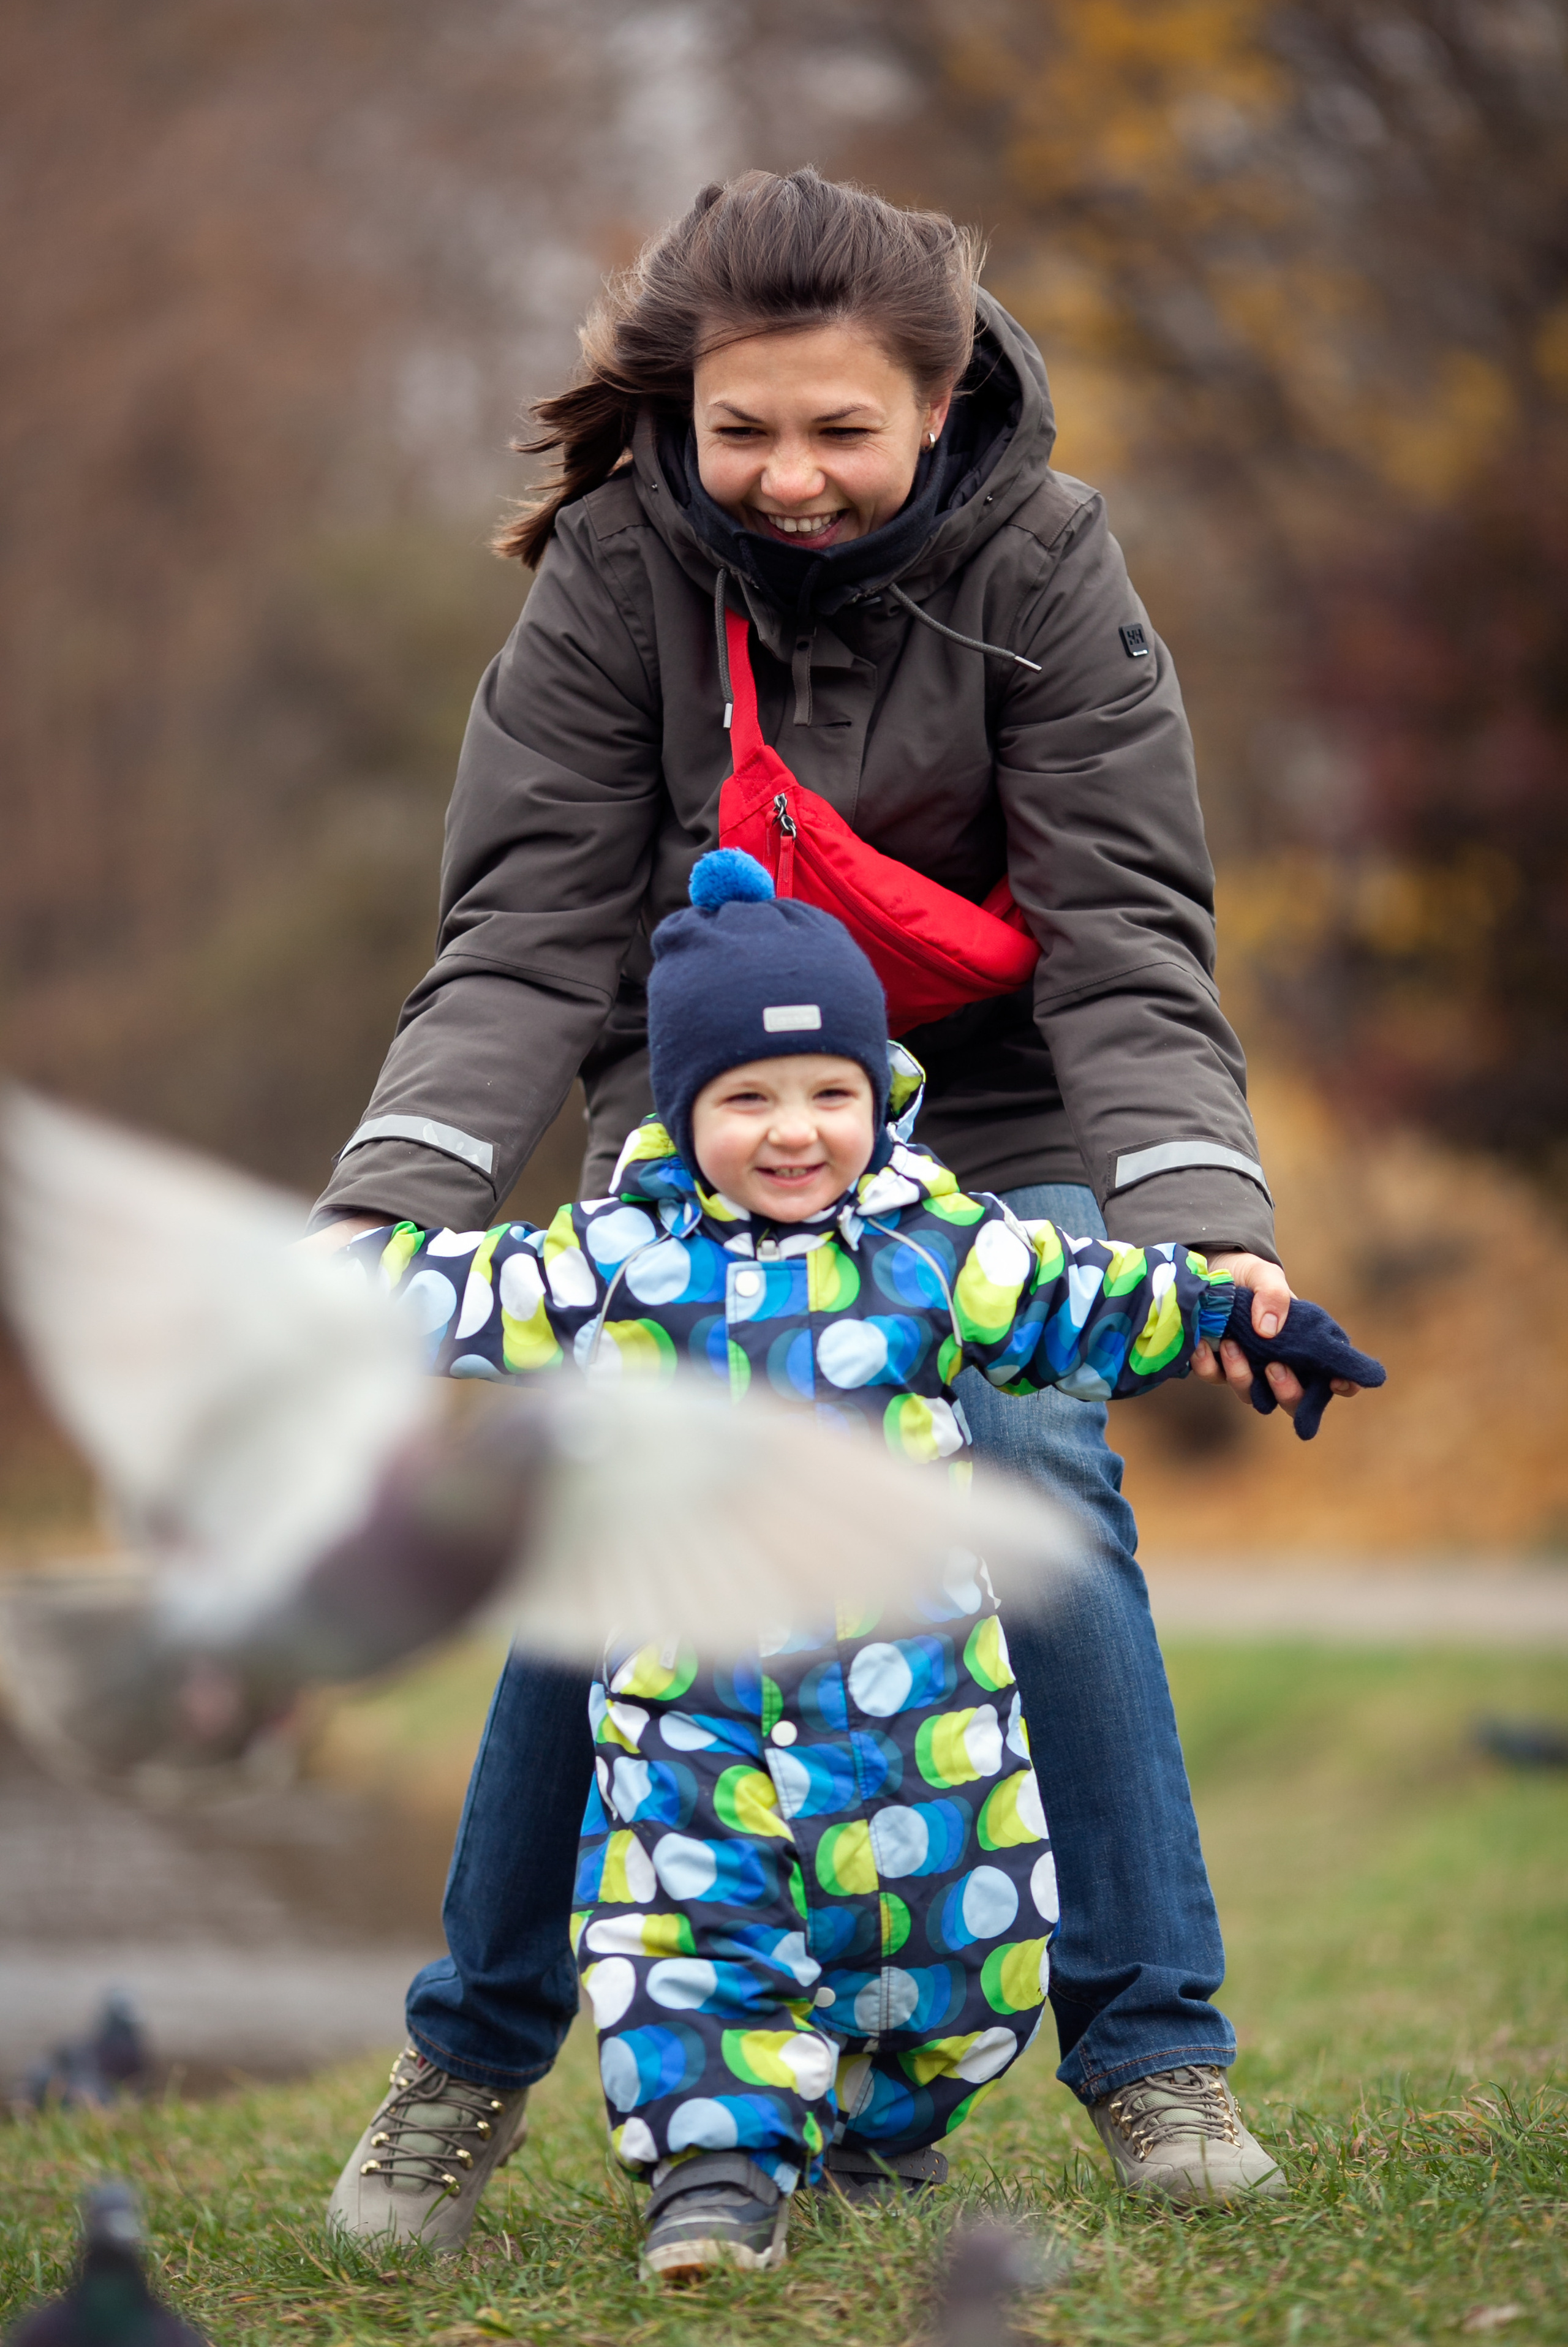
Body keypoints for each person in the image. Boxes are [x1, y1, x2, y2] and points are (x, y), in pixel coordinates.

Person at [306, 169, 1362, 2247]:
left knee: (1034, 1462)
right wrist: (389, 1203)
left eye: (842, 430)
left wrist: (1195, 1222)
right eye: (745, 429)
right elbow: (524, 936)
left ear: (941, 405)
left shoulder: (1049, 564)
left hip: (995, 1102)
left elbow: (1129, 943)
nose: (789, 476)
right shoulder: (614, 571)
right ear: (680, 411)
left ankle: (1156, 2051)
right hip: (706, 1100)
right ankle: (468, 2056)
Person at [331, 856, 1373, 2276]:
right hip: (695, 1721)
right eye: (745, 1100)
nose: (792, 1132)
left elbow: (1079, 1296)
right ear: (682, 1112)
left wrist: (1222, 1311)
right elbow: (460, 1292)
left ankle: (878, 2142)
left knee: (951, 1952)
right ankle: (713, 2179)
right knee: (694, 1942)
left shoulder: (938, 1247)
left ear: (878, 1094)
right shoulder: (616, 1264)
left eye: (830, 1092)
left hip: (919, 1721)